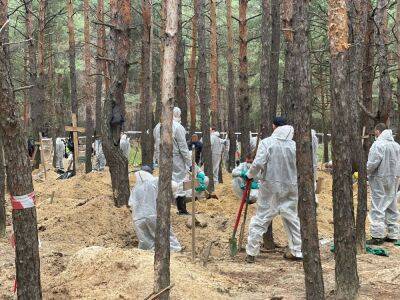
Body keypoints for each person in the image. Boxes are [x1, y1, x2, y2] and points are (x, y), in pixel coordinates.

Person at [245, 117, 302, 263]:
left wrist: (250, 175)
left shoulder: (267, 143)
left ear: (274, 126)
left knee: (261, 218)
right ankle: (297, 250)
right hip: (291, 185)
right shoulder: (294, 145)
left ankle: (251, 252)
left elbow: (258, 163)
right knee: (292, 218)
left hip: (270, 186)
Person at [128, 166, 182, 251]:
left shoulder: (135, 188)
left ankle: (150, 252)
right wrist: (174, 195)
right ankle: (174, 249)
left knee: (146, 242)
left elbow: (131, 204)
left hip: (138, 218)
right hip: (153, 214)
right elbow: (174, 185)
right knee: (164, 233)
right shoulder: (155, 181)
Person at [366, 123, 400, 245]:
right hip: (395, 178)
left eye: (375, 132)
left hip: (380, 178)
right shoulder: (396, 146)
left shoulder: (378, 145)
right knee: (391, 204)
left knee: (377, 205)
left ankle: (377, 235)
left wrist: (365, 172)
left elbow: (372, 163)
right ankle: (393, 234)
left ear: (378, 131)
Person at [154, 107, 191, 215]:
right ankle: (181, 209)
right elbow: (183, 148)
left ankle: (163, 209)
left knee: (165, 182)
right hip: (176, 159)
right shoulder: (178, 127)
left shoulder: (157, 127)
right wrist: (190, 164)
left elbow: (156, 146)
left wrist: (158, 159)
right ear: (178, 115)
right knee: (180, 184)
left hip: (162, 158)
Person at [311, 129, 319, 203]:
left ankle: (314, 200)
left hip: (312, 162)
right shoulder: (315, 138)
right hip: (313, 163)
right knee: (313, 182)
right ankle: (315, 199)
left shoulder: (313, 138)